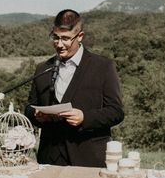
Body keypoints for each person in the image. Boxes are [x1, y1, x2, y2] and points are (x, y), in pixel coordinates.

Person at [25, 9, 124, 167]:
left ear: (80, 36)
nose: (59, 44)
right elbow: (29, 107)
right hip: (48, 160)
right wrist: (36, 114)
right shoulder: (42, 69)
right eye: (55, 37)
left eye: (65, 38)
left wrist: (85, 117)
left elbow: (116, 112)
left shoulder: (103, 67)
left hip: (89, 160)